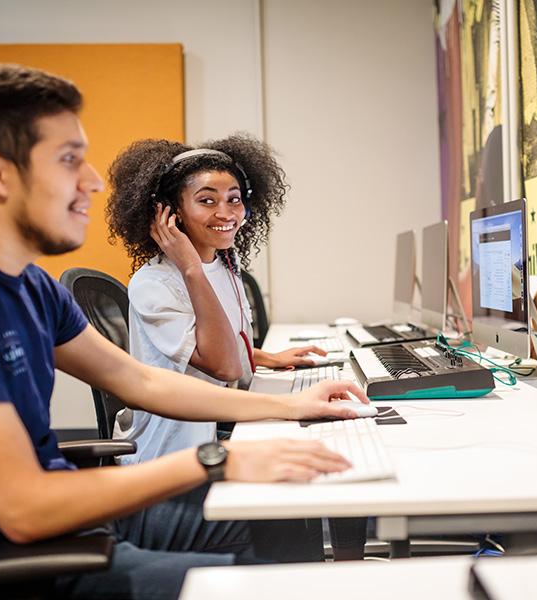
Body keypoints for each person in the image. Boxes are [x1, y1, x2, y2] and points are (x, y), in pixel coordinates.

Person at [0, 63, 368, 600]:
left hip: (74, 523)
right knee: (279, 587)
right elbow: (22, 510)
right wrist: (217, 458)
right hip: (8, 565)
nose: (92, 180)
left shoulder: (27, 285)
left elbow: (140, 381)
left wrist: (296, 407)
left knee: (284, 512)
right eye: (70, 159)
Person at [105, 136, 368, 560]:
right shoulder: (157, 283)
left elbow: (227, 346)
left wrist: (263, 356)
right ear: (169, 213)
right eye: (207, 200)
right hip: (172, 469)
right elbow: (225, 366)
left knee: (336, 456)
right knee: (305, 488)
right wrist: (190, 266)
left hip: (214, 436)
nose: (226, 213)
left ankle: (349, 572)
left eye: (234, 198)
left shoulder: (222, 263)